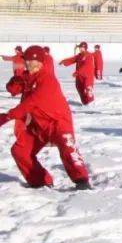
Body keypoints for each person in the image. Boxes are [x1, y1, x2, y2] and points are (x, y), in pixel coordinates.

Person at [0, 46, 91, 190]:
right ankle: (40, 181)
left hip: (58, 122)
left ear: (41, 62)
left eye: (33, 61)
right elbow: (12, 89)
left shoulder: (47, 79)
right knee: (20, 150)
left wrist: (7, 117)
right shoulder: (28, 77)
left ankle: (82, 181)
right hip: (38, 125)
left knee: (67, 149)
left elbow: (31, 103)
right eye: (27, 61)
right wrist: (18, 78)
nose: (30, 64)